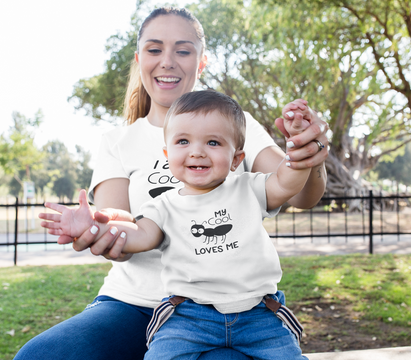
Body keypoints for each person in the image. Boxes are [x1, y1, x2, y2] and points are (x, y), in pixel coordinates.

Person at [15, 6, 328, 360]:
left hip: (228, 307)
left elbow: (296, 190)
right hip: (132, 305)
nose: (167, 61)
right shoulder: (118, 141)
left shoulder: (233, 122)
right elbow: (124, 219)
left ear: (201, 61)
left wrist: (306, 154)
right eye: (154, 49)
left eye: (182, 50)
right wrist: (99, 228)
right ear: (138, 60)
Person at [41, 90, 310, 360]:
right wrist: (95, 227)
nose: (197, 152)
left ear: (236, 159)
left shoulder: (249, 187)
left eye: (213, 143)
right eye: (183, 141)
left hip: (260, 314)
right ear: (167, 154)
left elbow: (285, 183)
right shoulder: (163, 205)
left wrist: (299, 150)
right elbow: (140, 234)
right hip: (189, 317)